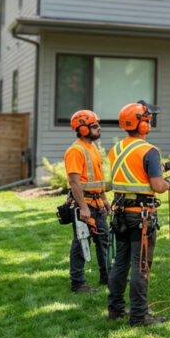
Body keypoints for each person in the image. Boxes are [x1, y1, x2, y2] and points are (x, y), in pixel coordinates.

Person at [106, 100, 170, 327]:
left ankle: (116, 309)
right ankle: (139, 316)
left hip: (120, 213)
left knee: (121, 263)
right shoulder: (149, 150)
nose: (150, 123)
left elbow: (134, 171)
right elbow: (157, 186)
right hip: (141, 216)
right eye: (148, 120)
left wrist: (165, 165)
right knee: (141, 265)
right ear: (142, 125)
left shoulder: (117, 149)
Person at [63, 109, 110, 293]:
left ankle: (107, 277)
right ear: (82, 129)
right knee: (82, 242)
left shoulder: (93, 148)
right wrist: (83, 207)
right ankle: (78, 284)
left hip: (97, 201)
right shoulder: (75, 151)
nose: (99, 129)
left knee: (103, 239)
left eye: (98, 125)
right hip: (84, 203)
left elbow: (97, 177)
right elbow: (74, 182)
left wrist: (104, 197)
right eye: (94, 126)